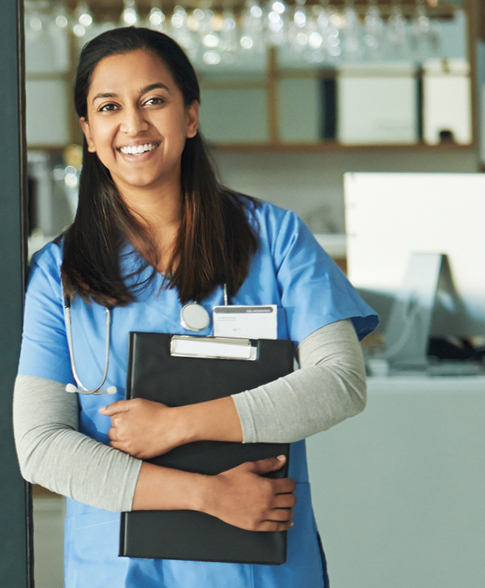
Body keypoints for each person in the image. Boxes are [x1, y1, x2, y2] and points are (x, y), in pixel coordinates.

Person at [13, 27, 378, 588]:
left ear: (190, 116)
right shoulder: (57, 274)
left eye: (154, 100)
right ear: (88, 133)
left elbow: (340, 381)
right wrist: (206, 495)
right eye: (109, 107)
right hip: (120, 569)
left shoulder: (275, 238)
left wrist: (175, 426)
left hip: (258, 568)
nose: (133, 124)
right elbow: (41, 447)